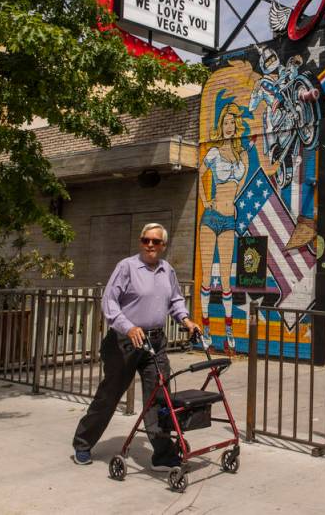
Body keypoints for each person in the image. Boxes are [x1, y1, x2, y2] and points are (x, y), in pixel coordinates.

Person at [72, 223, 198, 469]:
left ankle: (163, 454)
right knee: (110, 395)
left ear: (163, 245)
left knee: (160, 398)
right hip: (124, 342)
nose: (150, 245)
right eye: (145, 240)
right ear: (141, 242)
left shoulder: (167, 270)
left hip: (155, 342)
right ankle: (83, 443)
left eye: (155, 241)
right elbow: (109, 302)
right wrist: (128, 327)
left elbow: (175, 300)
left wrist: (185, 319)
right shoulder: (127, 267)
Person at [198, 103, 248, 351]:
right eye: (225, 123)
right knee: (207, 276)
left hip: (229, 220)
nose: (229, 127)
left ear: (237, 126)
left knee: (226, 278)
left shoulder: (243, 156)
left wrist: (235, 203)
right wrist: (206, 200)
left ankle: (228, 330)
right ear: (222, 126)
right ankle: (206, 328)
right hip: (211, 218)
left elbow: (239, 186)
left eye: (232, 123)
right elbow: (200, 174)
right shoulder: (214, 152)